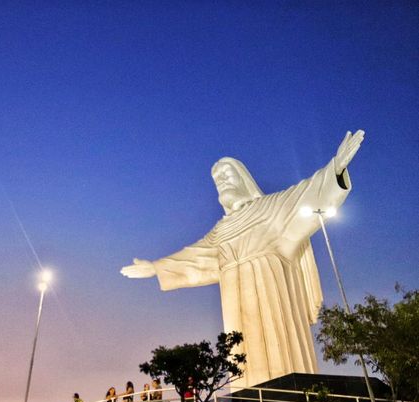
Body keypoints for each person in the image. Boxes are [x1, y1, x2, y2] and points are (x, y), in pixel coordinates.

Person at [121, 130, 365, 387]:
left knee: (280, 347)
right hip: (236, 304)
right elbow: (194, 258)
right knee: (242, 358)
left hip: (274, 295)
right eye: (217, 179)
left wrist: (334, 170)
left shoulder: (271, 209)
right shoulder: (221, 231)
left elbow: (306, 193)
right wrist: (157, 267)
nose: (221, 181)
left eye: (226, 174)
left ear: (242, 178)